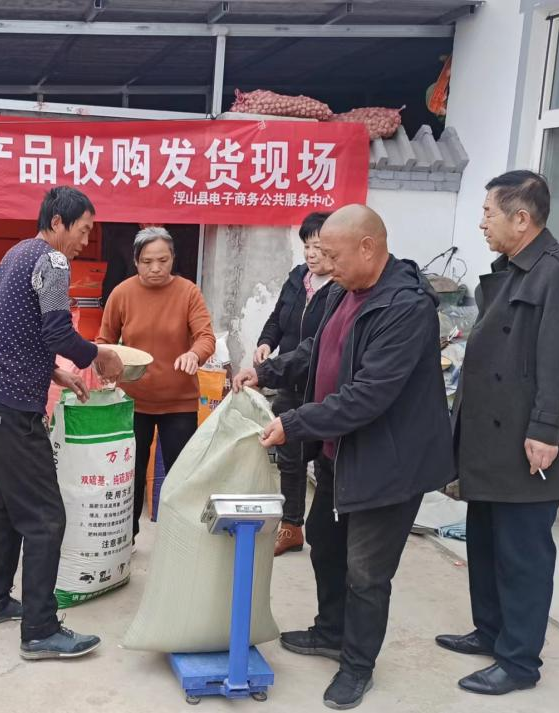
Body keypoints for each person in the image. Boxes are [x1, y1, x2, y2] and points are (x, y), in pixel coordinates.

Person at [232, 204, 453, 710]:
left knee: (366, 571)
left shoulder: (405, 307)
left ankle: (357, 666)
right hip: (341, 451)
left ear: (368, 248)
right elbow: (317, 348)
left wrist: (294, 423)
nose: (325, 266)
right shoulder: (342, 291)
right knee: (326, 544)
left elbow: (369, 394)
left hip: (388, 461)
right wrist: (268, 372)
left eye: (333, 255)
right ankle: (331, 631)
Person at [436, 171, 559, 696]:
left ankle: (520, 662)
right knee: (485, 540)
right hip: (490, 439)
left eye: (488, 213)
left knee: (522, 553)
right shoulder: (512, 270)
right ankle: (490, 631)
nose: (482, 223)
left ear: (521, 218)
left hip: (528, 441)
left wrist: (546, 430)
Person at [0, 186, 124, 661]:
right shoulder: (53, 261)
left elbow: (6, 328)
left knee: (8, 506)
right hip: (12, 410)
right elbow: (57, 330)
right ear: (58, 222)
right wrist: (100, 354)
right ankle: (39, 630)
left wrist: (53, 371)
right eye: (83, 230)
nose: (85, 242)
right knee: (45, 517)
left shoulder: (15, 254)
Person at [97, 227, 215, 539]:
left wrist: (194, 354)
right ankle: (126, 537)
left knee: (181, 473)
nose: (155, 268)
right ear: (136, 261)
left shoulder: (188, 292)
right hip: (133, 400)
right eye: (147, 261)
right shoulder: (122, 293)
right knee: (130, 473)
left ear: (173, 259)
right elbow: (104, 340)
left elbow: (205, 337)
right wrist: (106, 365)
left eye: (163, 260)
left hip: (179, 402)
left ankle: (180, 537)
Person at [253, 211, 338, 556]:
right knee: (289, 455)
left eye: (318, 247)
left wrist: (267, 372)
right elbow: (278, 318)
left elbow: (318, 345)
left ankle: (327, 527)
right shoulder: (297, 278)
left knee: (323, 457)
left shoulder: (340, 290)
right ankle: (291, 527)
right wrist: (265, 342)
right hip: (289, 380)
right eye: (307, 246)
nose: (311, 254)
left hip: (322, 385)